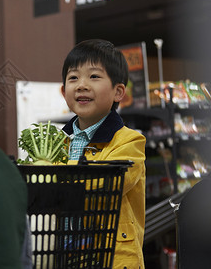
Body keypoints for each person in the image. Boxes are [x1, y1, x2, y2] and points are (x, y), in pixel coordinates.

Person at [60, 39, 146, 269]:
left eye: (94, 77)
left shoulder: (130, 141)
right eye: (73, 78)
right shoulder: (57, 142)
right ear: (63, 91)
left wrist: (57, 181)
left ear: (118, 92)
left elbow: (113, 180)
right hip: (64, 256)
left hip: (112, 259)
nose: (81, 85)